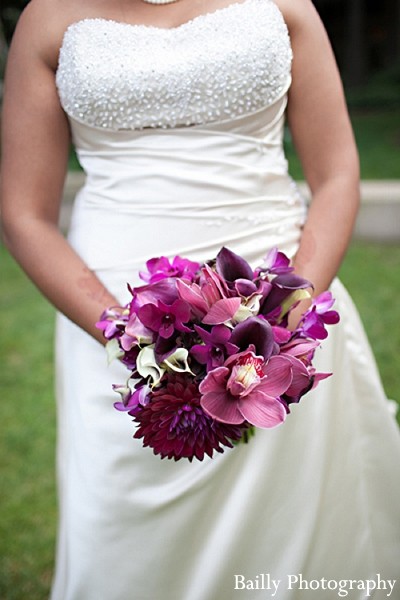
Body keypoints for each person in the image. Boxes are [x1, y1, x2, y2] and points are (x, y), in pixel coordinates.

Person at [1, 0, 399, 598]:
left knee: (290, 515)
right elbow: (25, 214)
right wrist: (125, 334)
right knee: (129, 524)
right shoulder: (49, 15)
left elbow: (338, 172)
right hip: (113, 315)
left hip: (278, 297)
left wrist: (295, 304)